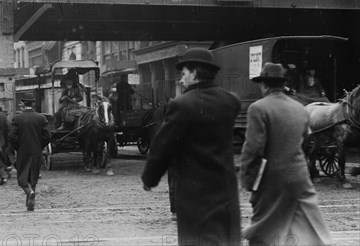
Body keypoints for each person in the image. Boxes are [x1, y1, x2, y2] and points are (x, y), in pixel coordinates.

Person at [141, 48, 241, 245]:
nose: (181, 79)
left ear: (194, 73)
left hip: (196, 197)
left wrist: (149, 179)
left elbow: (163, 147)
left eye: (184, 73)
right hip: (226, 193)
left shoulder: (182, 104)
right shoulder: (231, 101)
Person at [240, 62, 332, 246]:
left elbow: (254, 149)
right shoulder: (300, 108)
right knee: (303, 230)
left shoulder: (258, 108)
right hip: (299, 178)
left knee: (263, 230)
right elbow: (308, 140)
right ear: (283, 85)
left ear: (264, 85)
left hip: (271, 179)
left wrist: (249, 180)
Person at [10, 93, 51, 211]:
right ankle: (30, 204)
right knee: (33, 176)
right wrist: (39, 145)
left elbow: (12, 136)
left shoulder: (17, 118)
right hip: (36, 151)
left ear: (23, 103)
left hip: (23, 151)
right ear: (33, 104)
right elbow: (47, 136)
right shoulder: (41, 118)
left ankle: (29, 192)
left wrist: (18, 146)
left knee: (22, 178)